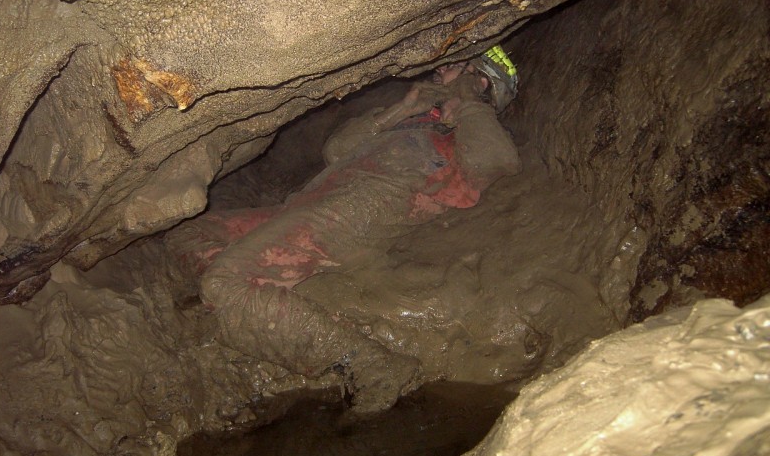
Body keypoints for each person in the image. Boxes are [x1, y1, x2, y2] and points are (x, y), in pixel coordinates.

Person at [164, 62, 522, 412]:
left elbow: (495, 160)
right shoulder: (414, 118)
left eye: (456, 67)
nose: (440, 69)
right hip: (304, 207)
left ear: (482, 81)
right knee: (188, 235)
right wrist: (402, 109)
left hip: (356, 213)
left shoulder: (468, 129)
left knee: (224, 282)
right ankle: (257, 303)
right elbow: (335, 150)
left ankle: (371, 363)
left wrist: (468, 100)